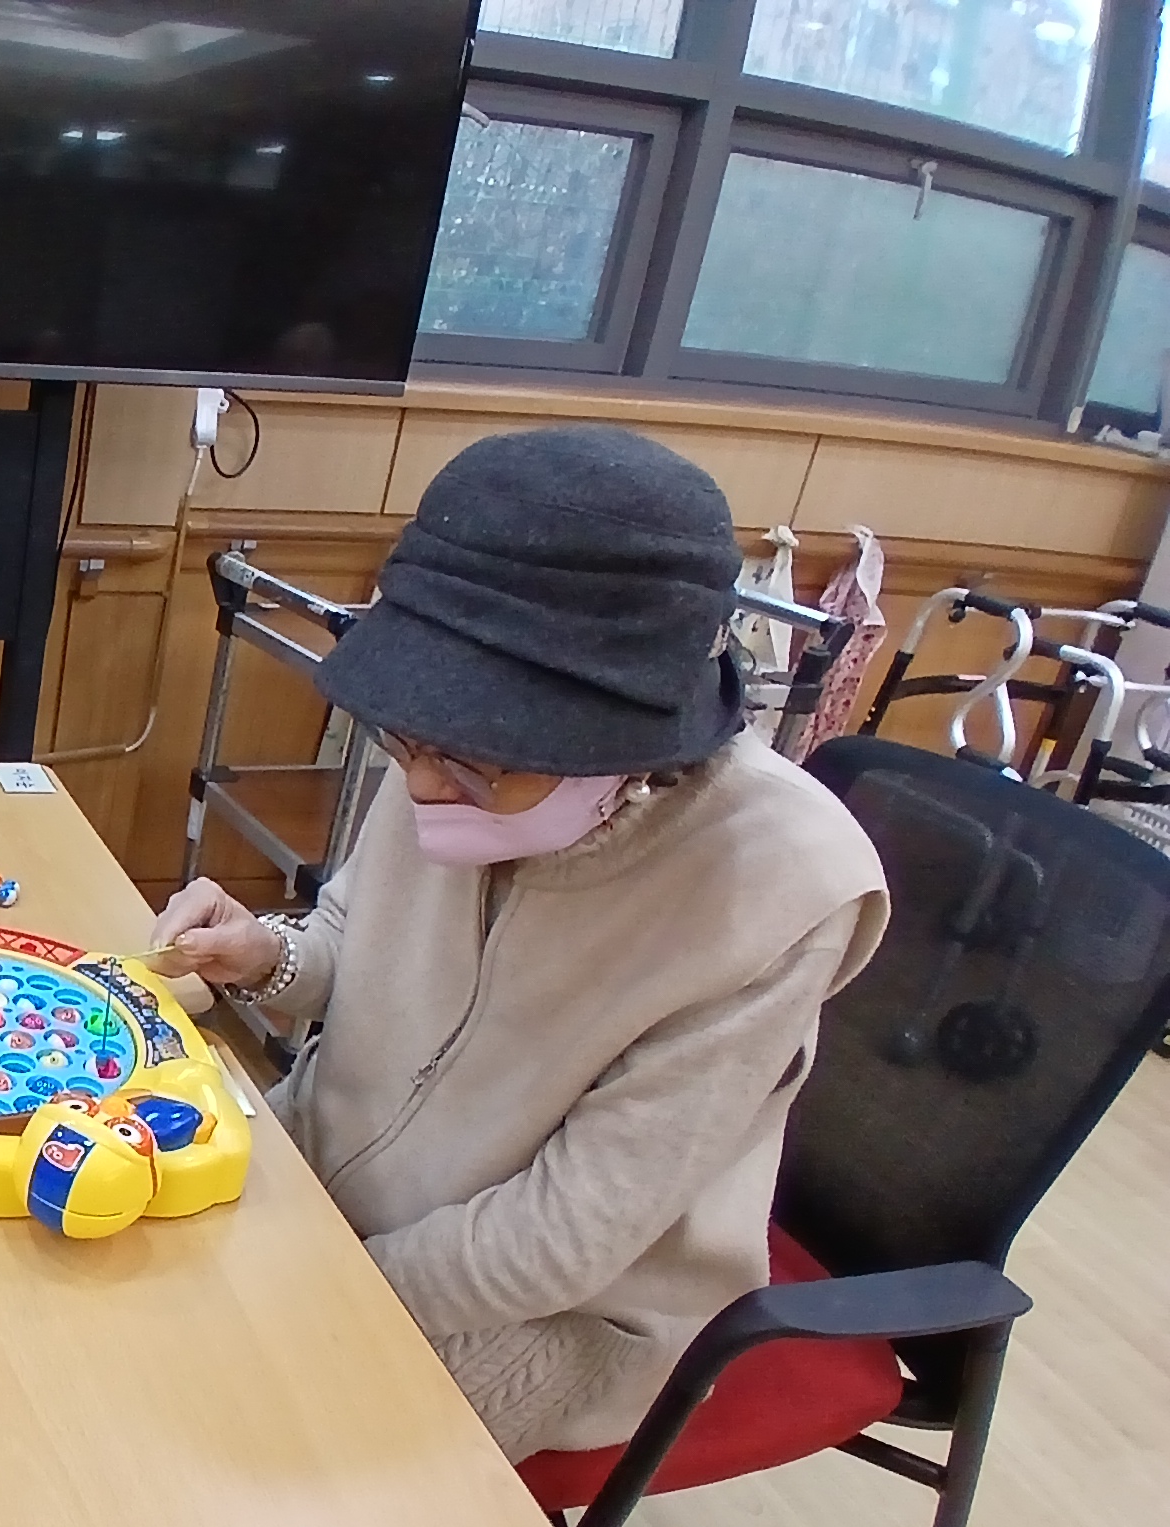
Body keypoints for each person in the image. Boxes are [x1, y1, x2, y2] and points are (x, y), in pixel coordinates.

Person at [151, 425, 890, 1460]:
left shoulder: (779, 884)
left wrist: (314, 1282)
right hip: (324, 1185)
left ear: (625, 746)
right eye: (406, 742)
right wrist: (267, 957)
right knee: (105, 1313)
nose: (419, 784)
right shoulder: (452, 741)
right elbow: (355, 947)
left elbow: (560, 1240)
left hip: (545, 1311)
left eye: (472, 763)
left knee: (230, 1448)